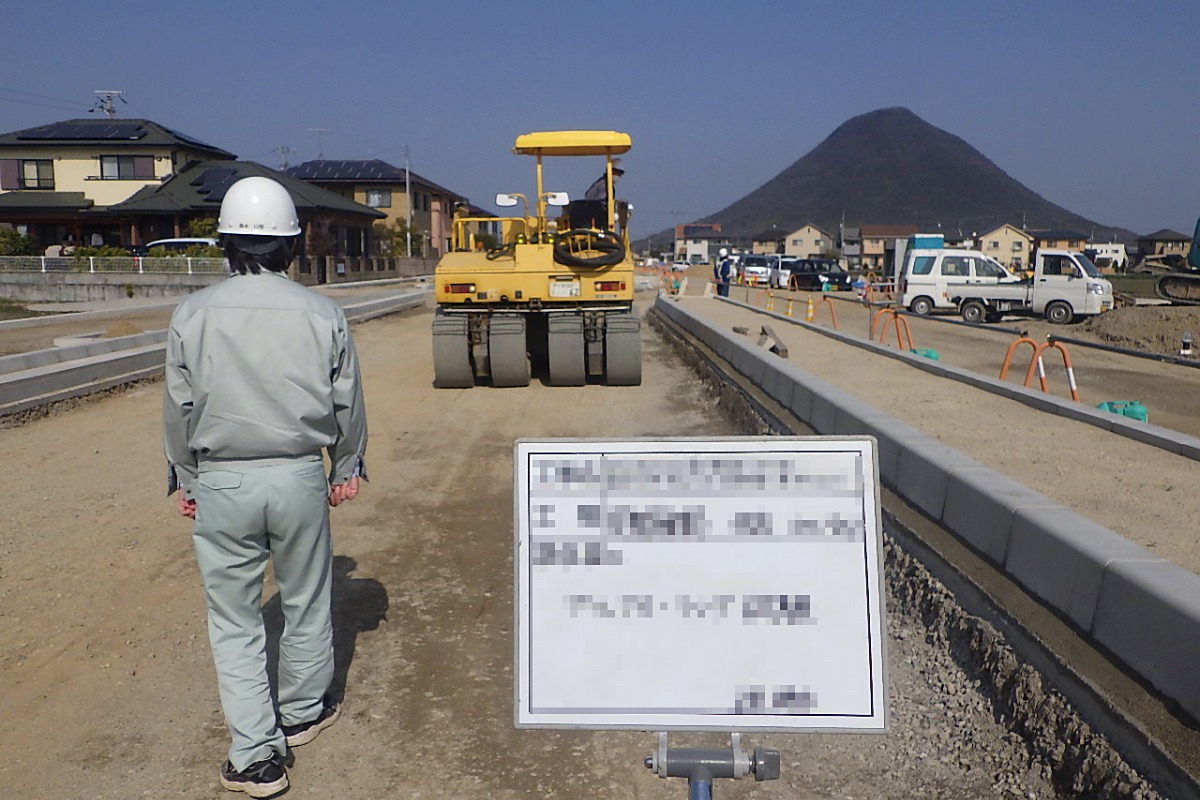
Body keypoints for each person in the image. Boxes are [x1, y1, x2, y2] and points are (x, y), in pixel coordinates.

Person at [162, 176, 368, 797]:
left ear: (226, 244)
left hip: (224, 480)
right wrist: (346, 467)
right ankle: (301, 714)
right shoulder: (323, 313)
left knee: (234, 619)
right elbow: (347, 402)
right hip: (299, 474)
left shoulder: (192, 314)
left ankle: (255, 756)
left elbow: (179, 408)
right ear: (292, 245)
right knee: (306, 599)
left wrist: (187, 477)